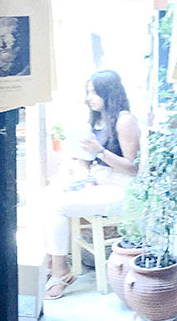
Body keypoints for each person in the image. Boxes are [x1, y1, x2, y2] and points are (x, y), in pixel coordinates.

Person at [45, 70, 141, 298]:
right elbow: (98, 165)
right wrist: (82, 157)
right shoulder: (100, 120)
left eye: (94, 92)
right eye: (88, 92)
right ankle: (51, 260)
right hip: (102, 182)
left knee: (58, 206)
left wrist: (100, 151)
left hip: (123, 190)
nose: (89, 97)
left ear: (109, 93)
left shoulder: (125, 120)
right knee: (46, 195)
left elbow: (132, 167)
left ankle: (59, 270)